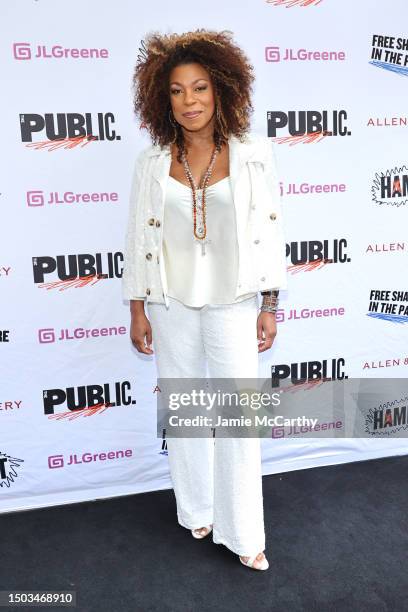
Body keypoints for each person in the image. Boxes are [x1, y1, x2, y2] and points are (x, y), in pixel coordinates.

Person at [122, 29, 288, 571]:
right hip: (171, 304)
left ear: (221, 90)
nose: (189, 101)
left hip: (234, 301)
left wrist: (269, 303)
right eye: (176, 90)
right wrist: (137, 306)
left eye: (199, 88)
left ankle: (245, 534)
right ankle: (197, 507)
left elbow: (270, 231)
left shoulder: (253, 154)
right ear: (161, 98)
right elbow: (137, 238)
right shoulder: (151, 162)